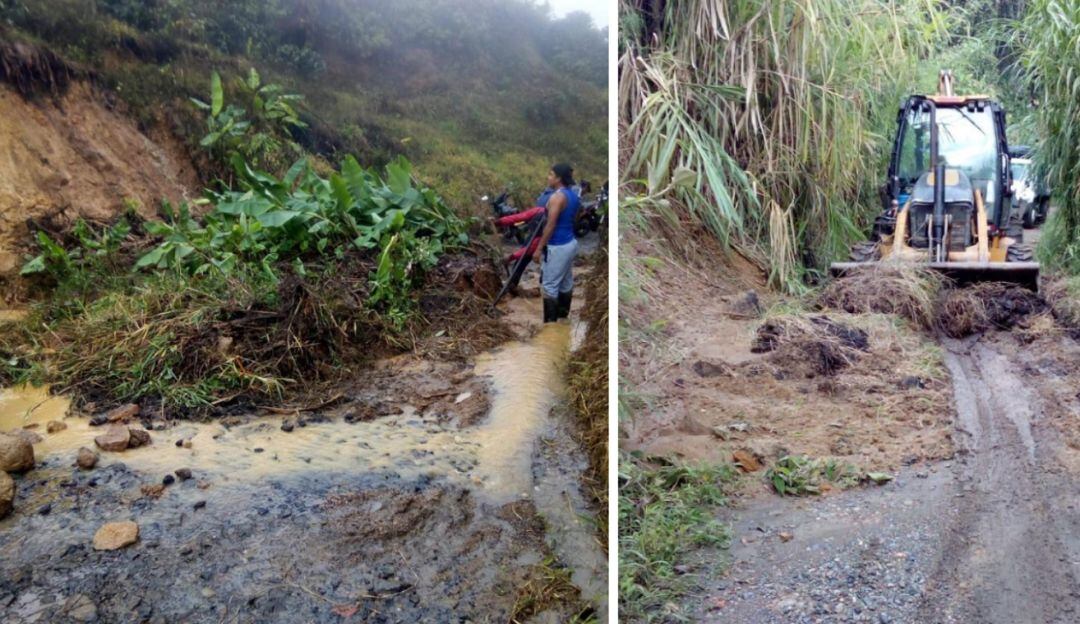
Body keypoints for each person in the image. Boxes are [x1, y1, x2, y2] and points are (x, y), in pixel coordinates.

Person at [533, 163, 581, 322]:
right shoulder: (573, 195)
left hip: (558, 246)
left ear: (559, 178)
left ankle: (550, 327)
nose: (548, 177)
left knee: (549, 286)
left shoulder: (557, 197)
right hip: (570, 243)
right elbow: (574, 219)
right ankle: (563, 319)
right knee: (566, 283)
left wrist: (539, 248)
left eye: (551, 174)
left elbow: (551, 224)